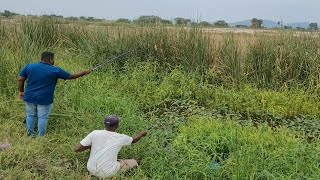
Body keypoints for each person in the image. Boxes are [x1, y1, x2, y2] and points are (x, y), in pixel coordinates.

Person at [18, 51, 92, 137]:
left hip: (29, 97)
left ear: (41, 58)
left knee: (30, 115)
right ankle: (41, 137)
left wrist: (21, 91)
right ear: (50, 59)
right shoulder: (56, 70)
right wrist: (84, 72)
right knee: (43, 117)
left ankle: (30, 135)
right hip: (45, 99)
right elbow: (71, 76)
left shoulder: (30, 66)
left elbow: (20, 79)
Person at [75, 115, 147, 178]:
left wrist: (90, 147)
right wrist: (141, 134)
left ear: (105, 124)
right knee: (136, 161)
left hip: (90, 169)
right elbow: (134, 140)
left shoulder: (95, 133)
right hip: (108, 173)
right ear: (117, 126)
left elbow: (77, 148)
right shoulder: (121, 138)